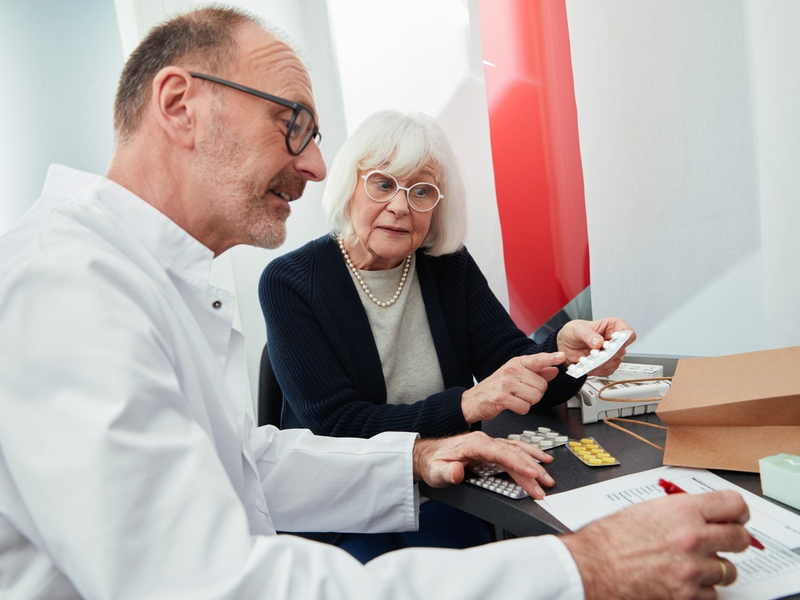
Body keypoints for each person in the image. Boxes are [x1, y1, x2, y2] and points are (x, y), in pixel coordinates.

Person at [0, 6, 751, 600]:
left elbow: (247, 460)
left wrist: (423, 453)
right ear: (179, 104)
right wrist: (581, 570)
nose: (315, 163)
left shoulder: (154, 278)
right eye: (291, 122)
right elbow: (207, 586)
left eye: (421, 189)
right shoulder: (68, 287)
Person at [259, 110, 635, 559]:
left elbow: (510, 366)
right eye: (383, 184)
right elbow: (336, 427)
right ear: (350, 184)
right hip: (344, 505)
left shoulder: (447, 265)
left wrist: (570, 356)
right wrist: (468, 404)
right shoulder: (290, 282)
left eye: (421, 191)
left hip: (449, 490)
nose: (400, 206)